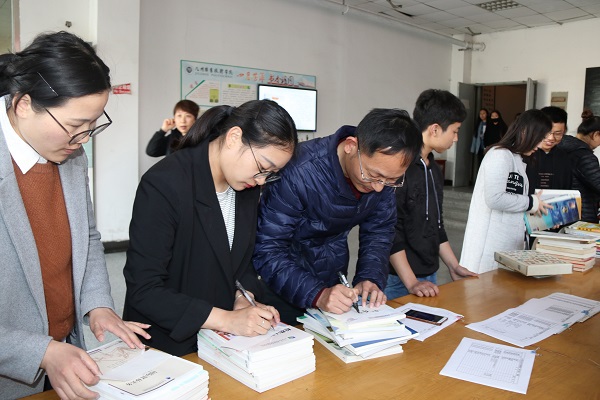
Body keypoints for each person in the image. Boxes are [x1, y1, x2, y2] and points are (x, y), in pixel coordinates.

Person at [0, 31, 149, 400]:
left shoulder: (70, 154)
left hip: (65, 347)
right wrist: (38, 352)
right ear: (23, 104)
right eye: (74, 125)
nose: (83, 139)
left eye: (92, 125)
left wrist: (98, 303)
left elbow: (87, 236)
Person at [123, 99, 298, 357]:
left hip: (222, 342)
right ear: (234, 138)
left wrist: (243, 297)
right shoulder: (165, 183)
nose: (262, 181)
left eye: (271, 173)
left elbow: (241, 262)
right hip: (166, 345)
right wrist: (227, 320)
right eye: (262, 167)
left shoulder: (245, 186)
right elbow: (144, 290)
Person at [252, 108, 422, 323]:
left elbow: (379, 232)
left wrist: (369, 277)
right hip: (281, 283)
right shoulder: (298, 171)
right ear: (351, 146)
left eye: (391, 180)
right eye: (373, 175)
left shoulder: (382, 177)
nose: (379, 187)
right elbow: (268, 248)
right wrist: (317, 293)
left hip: (332, 279)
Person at [385, 89, 477, 299]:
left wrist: (453, 266)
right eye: (454, 131)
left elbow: (437, 224)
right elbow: (391, 231)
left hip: (428, 276)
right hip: (398, 279)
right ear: (435, 129)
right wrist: (411, 282)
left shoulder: (433, 169)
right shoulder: (399, 167)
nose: (456, 138)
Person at [460, 109, 553, 274]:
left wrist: (538, 211)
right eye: (539, 139)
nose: (539, 146)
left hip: (506, 245)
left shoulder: (516, 158)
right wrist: (532, 202)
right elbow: (495, 198)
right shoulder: (499, 155)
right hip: (488, 246)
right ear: (525, 132)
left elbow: (514, 201)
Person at [557, 109, 600, 222]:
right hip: (582, 214)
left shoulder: (561, 148)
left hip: (560, 212)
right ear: (596, 134)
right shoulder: (585, 156)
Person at [526, 106, 571, 192]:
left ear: (564, 131)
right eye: (546, 132)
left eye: (557, 133)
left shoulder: (565, 157)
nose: (551, 138)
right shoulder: (525, 154)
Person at [470, 108, 488, 183]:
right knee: (480, 164)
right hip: (479, 147)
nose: (482, 115)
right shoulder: (479, 124)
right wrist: (473, 148)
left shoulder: (489, 123)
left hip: (487, 147)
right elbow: (475, 137)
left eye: (484, 113)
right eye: (480, 114)